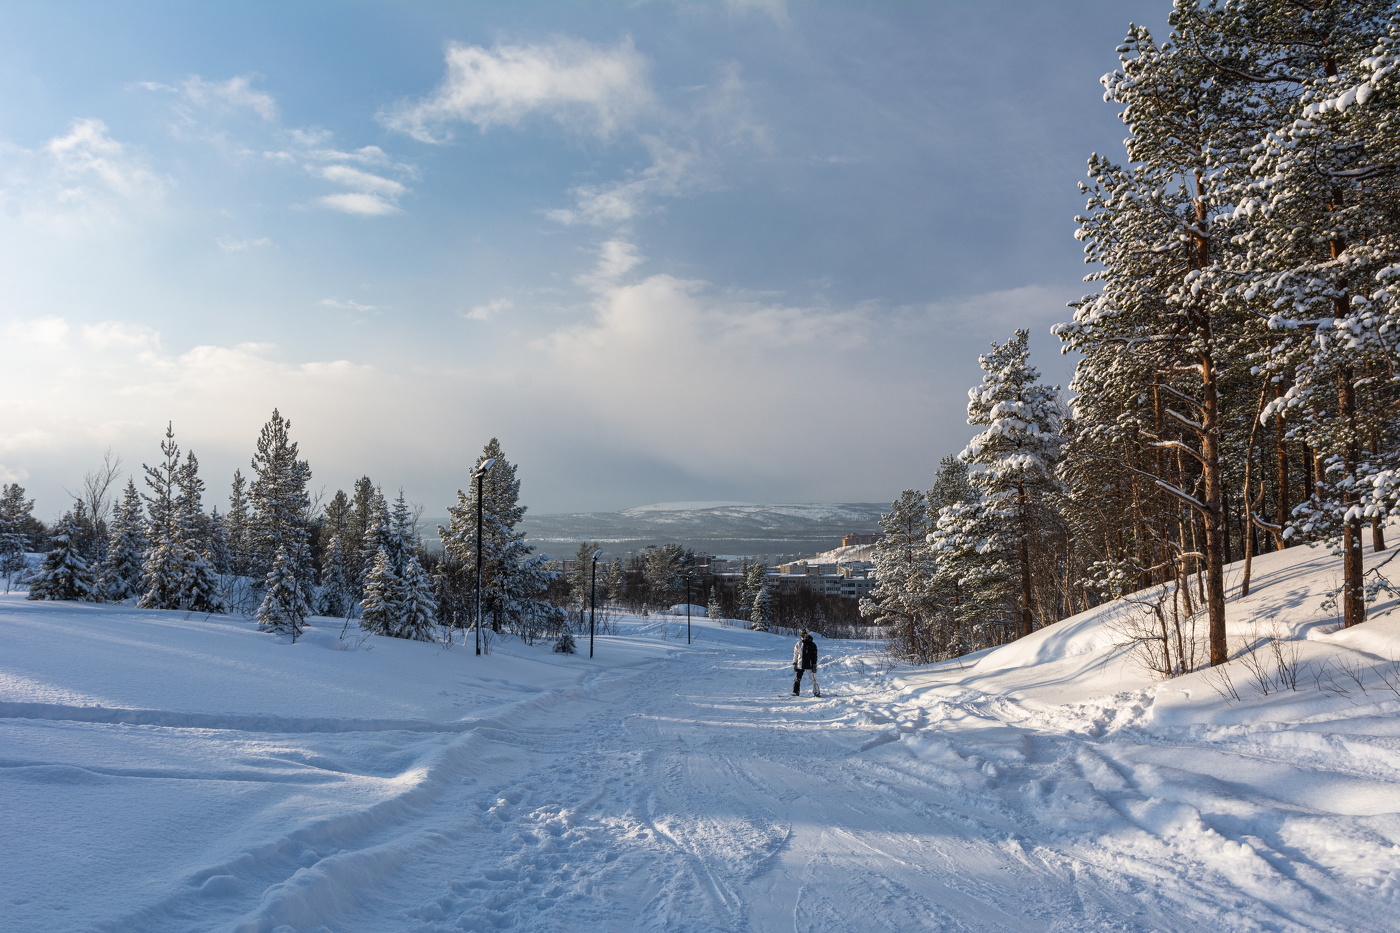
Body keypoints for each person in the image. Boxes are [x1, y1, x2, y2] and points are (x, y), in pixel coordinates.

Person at [793, 630, 820, 697]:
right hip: (800, 664)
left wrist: (814, 665)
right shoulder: (798, 644)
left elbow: (814, 656)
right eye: (802, 635)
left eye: (804, 635)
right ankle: (795, 692)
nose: (803, 637)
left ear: (807, 635)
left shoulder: (812, 644)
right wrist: (794, 663)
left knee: (813, 679)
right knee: (797, 679)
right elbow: (795, 654)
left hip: (809, 664)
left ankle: (816, 692)